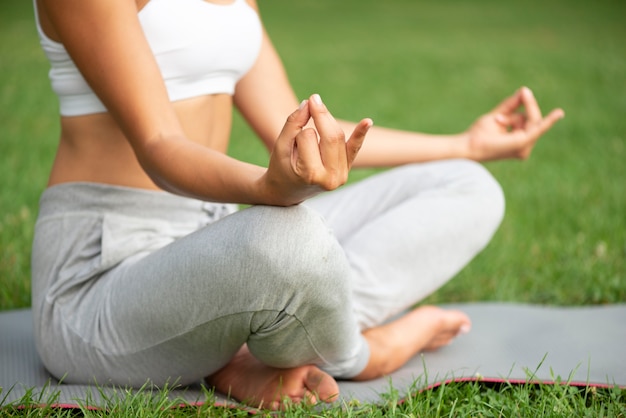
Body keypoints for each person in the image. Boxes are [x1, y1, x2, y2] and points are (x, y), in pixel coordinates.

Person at [31, 0, 564, 410]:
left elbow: (305, 128)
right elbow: (159, 146)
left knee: (466, 185)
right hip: (100, 280)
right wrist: (269, 189)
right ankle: (359, 351)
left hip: (210, 247)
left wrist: (464, 145)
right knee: (291, 239)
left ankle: (233, 351)